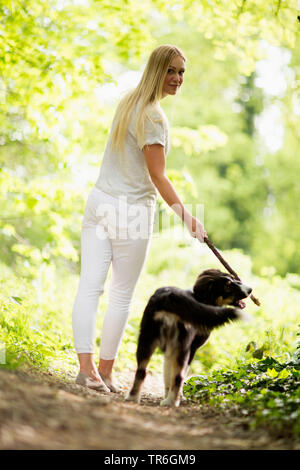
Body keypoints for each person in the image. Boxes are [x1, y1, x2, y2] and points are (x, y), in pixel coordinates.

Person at [72, 44, 207, 393]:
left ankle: (88, 371)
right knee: (119, 294)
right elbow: (159, 177)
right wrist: (188, 217)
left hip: (98, 203)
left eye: (181, 72)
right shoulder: (154, 116)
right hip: (129, 212)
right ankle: (104, 370)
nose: (177, 78)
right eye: (171, 71)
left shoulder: (128, 103)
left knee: (89, 287)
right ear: (157, 70)